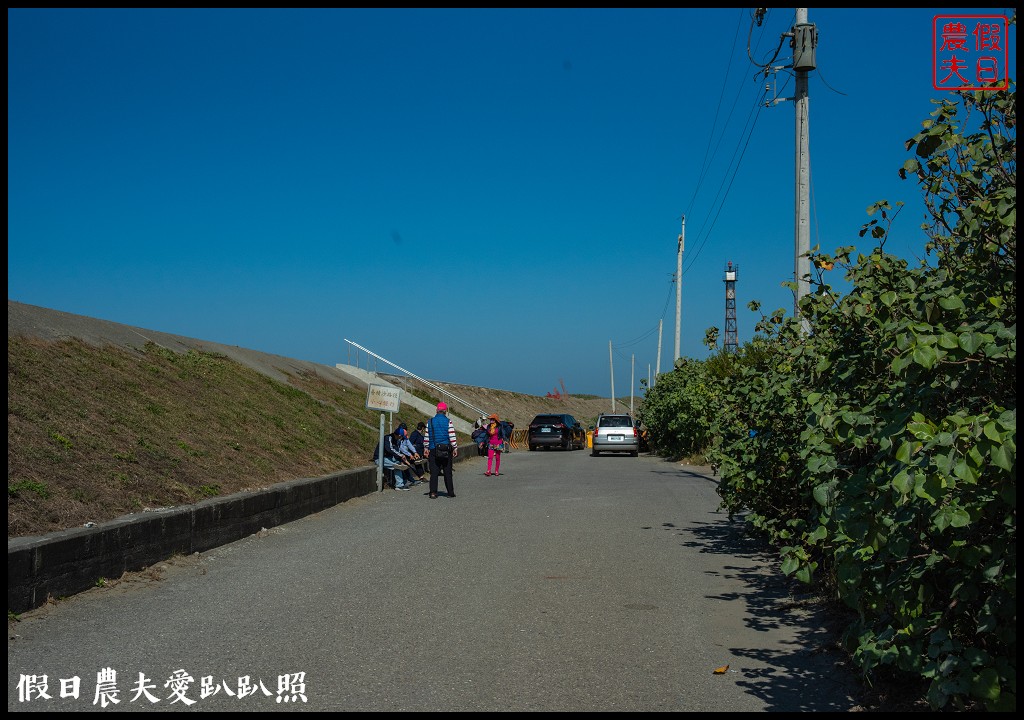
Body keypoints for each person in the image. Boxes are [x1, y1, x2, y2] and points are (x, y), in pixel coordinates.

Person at [424, 402, 458, 499]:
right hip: (446, 450)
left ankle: (433, 492)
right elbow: (452, 436)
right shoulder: (448, 421)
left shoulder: (430, 422)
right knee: (447, 471)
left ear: (436, 410)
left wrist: (426, 448)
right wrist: (454, 448)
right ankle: (450, 492)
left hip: (433, 449)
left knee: (434, 472)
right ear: (445, 411)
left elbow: (427, 437)